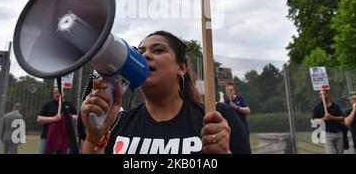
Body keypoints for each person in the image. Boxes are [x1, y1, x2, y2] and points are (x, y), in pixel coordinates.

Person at [80, 31, 249, 154]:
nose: (145, 55)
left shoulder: (216, 118)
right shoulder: (119, 123)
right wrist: (94, 136)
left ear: (182, 67)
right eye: (140, 52)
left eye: (158, 50)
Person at [36, 87, 78, 153]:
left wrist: (68, 117)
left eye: (59, 92)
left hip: (64, 138)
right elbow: (39, 119)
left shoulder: (69, 105)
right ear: (53, 94)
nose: (57, 94)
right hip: (47, 136)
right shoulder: (48, 105)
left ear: (64, 93)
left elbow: (76, 117)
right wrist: (54, 119)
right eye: (55, 93)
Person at [223, 81, 252, 153]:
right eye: (227, 90)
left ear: (234, 90)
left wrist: (236, 107)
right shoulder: (226, 102)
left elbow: (248, 110)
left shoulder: (240, 99)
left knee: (245, 148)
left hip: (243, 128)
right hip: (232, 130)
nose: (229, 92)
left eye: (231, 90)